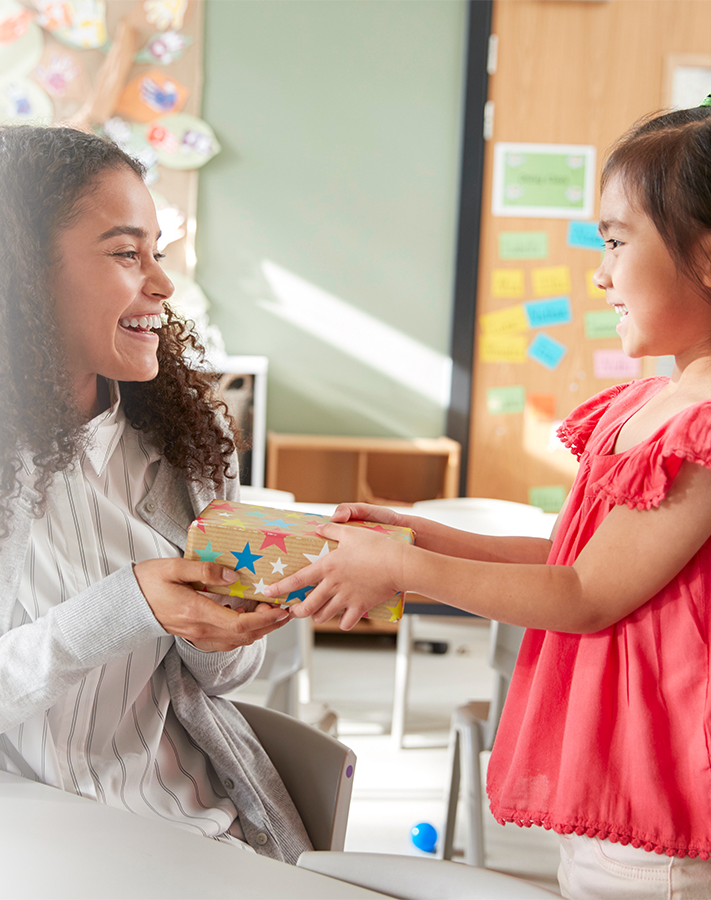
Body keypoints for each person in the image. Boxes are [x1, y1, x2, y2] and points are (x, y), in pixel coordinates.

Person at [266, 101, 711, 896]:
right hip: (616, 776)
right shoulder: (656, 401)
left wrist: (404, 569)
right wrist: (425, 538)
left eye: (615, 241)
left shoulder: (703, 430)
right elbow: (571, 557)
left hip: (665, 787)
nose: (600, 273)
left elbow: (583, 594)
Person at [0, 124, 311, 864]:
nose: (161, 283)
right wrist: (127, 605)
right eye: (127, 253)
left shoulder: (189, 442)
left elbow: (224, 682)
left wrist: (217, 627)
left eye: (157, 252)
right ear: (23, 274)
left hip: (187, 841)